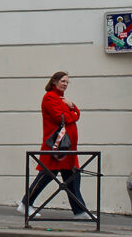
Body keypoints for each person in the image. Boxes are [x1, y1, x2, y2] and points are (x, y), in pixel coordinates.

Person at [17, 71, 92, 220]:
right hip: (56, 147)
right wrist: (73, 113)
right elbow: (60, 117)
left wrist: (73, 106)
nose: (65, 84)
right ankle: (25, 204)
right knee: (46, 175)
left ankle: (80, 211)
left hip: (67, 148)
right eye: (63, 81)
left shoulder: (61, 99)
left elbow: (74, 113)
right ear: (54, 82)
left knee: (72, 178)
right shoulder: (50, 97)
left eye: (67, 82)